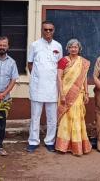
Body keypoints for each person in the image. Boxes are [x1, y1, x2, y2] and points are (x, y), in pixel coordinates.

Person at [26, 20, 63, 153]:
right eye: (45, 29)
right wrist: (37, 77)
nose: (48, 32)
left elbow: (60, 67)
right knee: (35, 116)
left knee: (52, 117)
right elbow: (30, 64)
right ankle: (33, 141)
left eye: (50, 29)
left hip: (52, 87)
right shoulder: (34, 45)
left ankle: (50, 141)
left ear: (54, 31)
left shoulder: (58, 46)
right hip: (37, 87)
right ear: (42, 30)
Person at [55, 39, 92, 156]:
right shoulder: (63, 61)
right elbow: (59, 78)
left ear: (79, 49)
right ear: (68, 48)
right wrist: (62, 94)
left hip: (78, 95)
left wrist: (86, 93)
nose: (73, 49)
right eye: (71, 47)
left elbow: (84, 79)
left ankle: (77, 146)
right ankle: (63, 146)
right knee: (66, 119)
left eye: (75, 47)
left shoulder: (83, 62)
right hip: (65, 94)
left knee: (76, 118)